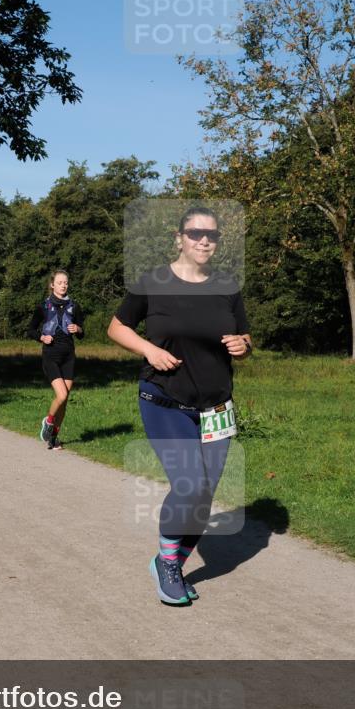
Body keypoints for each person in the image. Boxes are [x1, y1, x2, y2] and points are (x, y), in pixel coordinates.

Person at [107, 207, 252, 606]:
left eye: (212, 235)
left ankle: (167, 560)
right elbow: (116, 327)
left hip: (216, 407)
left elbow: (244, 336)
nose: (204, 240)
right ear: (179, 237)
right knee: (189, 486)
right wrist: (148, 349)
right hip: (164, 399)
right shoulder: (153, 282)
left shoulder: (227, 285)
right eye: (195, 233)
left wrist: (244, 346)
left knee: (205, 495)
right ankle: (170, 567)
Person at [27, 268, 85, 450]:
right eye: (60, 283)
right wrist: (42, 337)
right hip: (51, 355)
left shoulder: (74, 306)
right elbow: (30, 330)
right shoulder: (43, 307)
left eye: (66, 283)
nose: (63, 286)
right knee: (62, 395)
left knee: (64, 401)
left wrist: (78, 329)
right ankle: (48, 421)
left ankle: (53, 438)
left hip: (68, 356)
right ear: (52, 285)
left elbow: (82, 332)